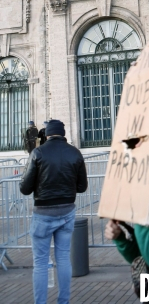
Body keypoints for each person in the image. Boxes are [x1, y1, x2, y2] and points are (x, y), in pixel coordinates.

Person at [19, 119, 88, 304]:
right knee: (64, 258)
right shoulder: (75, 153)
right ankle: (63, 301)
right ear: (63, 134)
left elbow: (25, 188)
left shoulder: (38, 153)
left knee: (41, 263)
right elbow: (82, 187)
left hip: (43, 212)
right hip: (67, 211)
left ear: (47, 134)